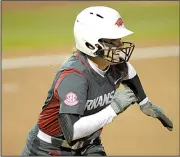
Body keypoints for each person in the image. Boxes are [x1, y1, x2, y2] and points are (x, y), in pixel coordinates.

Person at [21, 6, 173, 156]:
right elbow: (71, 132)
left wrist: (144, 102)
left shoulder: (116, 65)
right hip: (47, 150)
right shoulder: (74, 76)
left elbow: (129, 72)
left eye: (119, 39)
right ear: (90, 43)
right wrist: (113, 109)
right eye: (113, 41)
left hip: (89, 146)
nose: (120, 46)